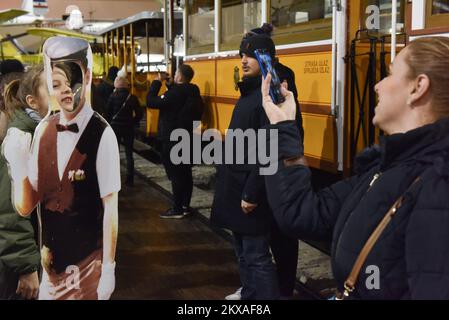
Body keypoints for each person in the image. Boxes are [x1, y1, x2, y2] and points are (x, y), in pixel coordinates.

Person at [261, 36, 449, 299]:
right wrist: (282, 127)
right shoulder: (384, 169)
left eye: (390, 73)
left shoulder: (438, 186)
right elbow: (302, 214)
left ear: (418, 87)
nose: (377, 85)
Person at [2, 36, 120, 300]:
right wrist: (19, 165)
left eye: (73, 81)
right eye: (56, 84)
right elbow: (25, 206)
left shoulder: (102, 134)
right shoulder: (43, 130)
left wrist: (109, 269)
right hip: (50, 274)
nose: (66, 91)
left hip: (88, 268)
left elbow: (110, 208)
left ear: (87, 76)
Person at [210, 31, 279, 300]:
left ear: (265, 58)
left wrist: (252, 192)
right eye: (241, 54)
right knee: (243, 252)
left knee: (256, 255)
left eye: (250, 55)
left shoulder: (267, 96)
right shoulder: (250, 92)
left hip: (249, 190)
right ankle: (250, 296)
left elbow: (268, 148)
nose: (243, 60)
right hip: (236, 186)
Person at [0, 65, 48, 300]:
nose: (67, 93)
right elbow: (12, 211)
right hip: (24, 268)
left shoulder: (44, 131)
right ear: (33, 100)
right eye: (53, 88)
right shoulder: (22, 137)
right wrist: (26, 266)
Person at [147, 64, 202, 218]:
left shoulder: (176, 93)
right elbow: (175, 101)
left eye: (176, 72)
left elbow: (151, 101)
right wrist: (170, 86)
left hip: (172, 138)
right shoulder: (193, 91)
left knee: (175, 174)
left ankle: (177, 208)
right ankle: (185, 205)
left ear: (179, 76)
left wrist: (157, 82)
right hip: (187, 136)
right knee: (185, 172)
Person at [106, 66, 143, 187]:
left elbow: (107, 113)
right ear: (127, 85)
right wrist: (133, 122)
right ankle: (129, 179)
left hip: (115, 128)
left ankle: (115, 178)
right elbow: (139, 114)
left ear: (116, 85)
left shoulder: (113, 97)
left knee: (114, 153)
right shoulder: (132, 98)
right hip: (128, 128)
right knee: (129, 153)